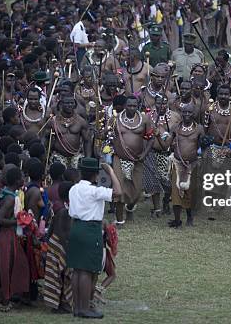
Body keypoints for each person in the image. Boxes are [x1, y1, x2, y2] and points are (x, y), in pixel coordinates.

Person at [67, 158, 121, 319]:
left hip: (76, 228)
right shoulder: (95, 191)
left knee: (77, 269)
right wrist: (111, 171)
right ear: (96, 175)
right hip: (90, 230)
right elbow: (118, 192)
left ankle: (77, 307)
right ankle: (84, 308)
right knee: (87, 271)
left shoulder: (74, 189)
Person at [0, 167, 30, 312]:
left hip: (8, 235)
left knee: (14, 265)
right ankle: (5, 300)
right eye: (22, 178)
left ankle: (5, 294)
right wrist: (19, 221)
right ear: (16, 181)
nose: (24, 180)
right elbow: (0, 219)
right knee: (6, 267)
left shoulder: (8, 194)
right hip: (6, 235)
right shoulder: (9, 198)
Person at [112, 95, 154, 224]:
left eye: (134, 106)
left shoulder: (145, 120)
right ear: (125, 106)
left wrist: (144, 155)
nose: (131, 108)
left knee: (136, 192)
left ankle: (129, 208)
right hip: (119, 158)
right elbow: (108, 136)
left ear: (138, 106)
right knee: (119, 190)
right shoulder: (116, 119)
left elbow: (151, 138)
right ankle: (119, 220)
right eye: (129, 105)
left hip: (137, 160)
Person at [167, 104, 205, 227]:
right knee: (176, 192)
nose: (187, 115)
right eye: (184, 112)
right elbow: (166, 145)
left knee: (189, 192)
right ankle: (177, 220)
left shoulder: (199, 128)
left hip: (192, 165)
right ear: (181, 113)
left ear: (193, 114)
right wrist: (157, 136)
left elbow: (202, 146)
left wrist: (205, 143)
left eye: (189, 112)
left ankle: (189, 217)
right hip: (177, 163)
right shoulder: (175, 127)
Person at [43, 181, 74, 313]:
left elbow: (50, 226)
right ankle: (62, 304)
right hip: (60, 244)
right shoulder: (63, 210)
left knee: (57, 274)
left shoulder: (56, 205)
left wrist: (47, 240)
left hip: (54, 242)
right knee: (62, 274)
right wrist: (67, 247)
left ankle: (59, 303)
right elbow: (61, 231)